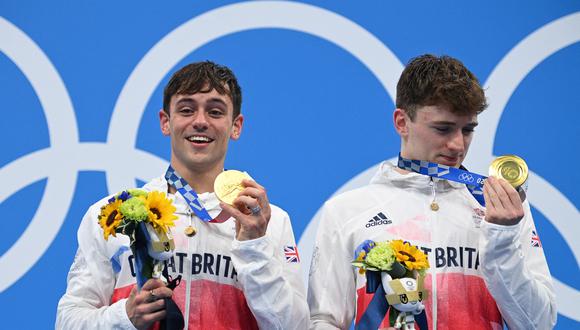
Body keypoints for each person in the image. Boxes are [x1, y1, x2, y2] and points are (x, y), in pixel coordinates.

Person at [308, 54, 556, 329]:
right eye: (443, 129)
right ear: (402, 122)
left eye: (468, 130)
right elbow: (324, 320)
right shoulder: (347, 211)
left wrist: (502, 239)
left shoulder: (501, 210)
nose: (457, 145)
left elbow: (538, 324)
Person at [57, 61, 309, 329]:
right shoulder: (113, 214)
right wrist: (124, 317)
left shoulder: (268, 221)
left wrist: (254, 246)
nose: (200, 122)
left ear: (236, 126)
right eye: (187, 110)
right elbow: (68, 320)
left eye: (215, 111)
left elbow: (295, 326)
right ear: (166, 122)